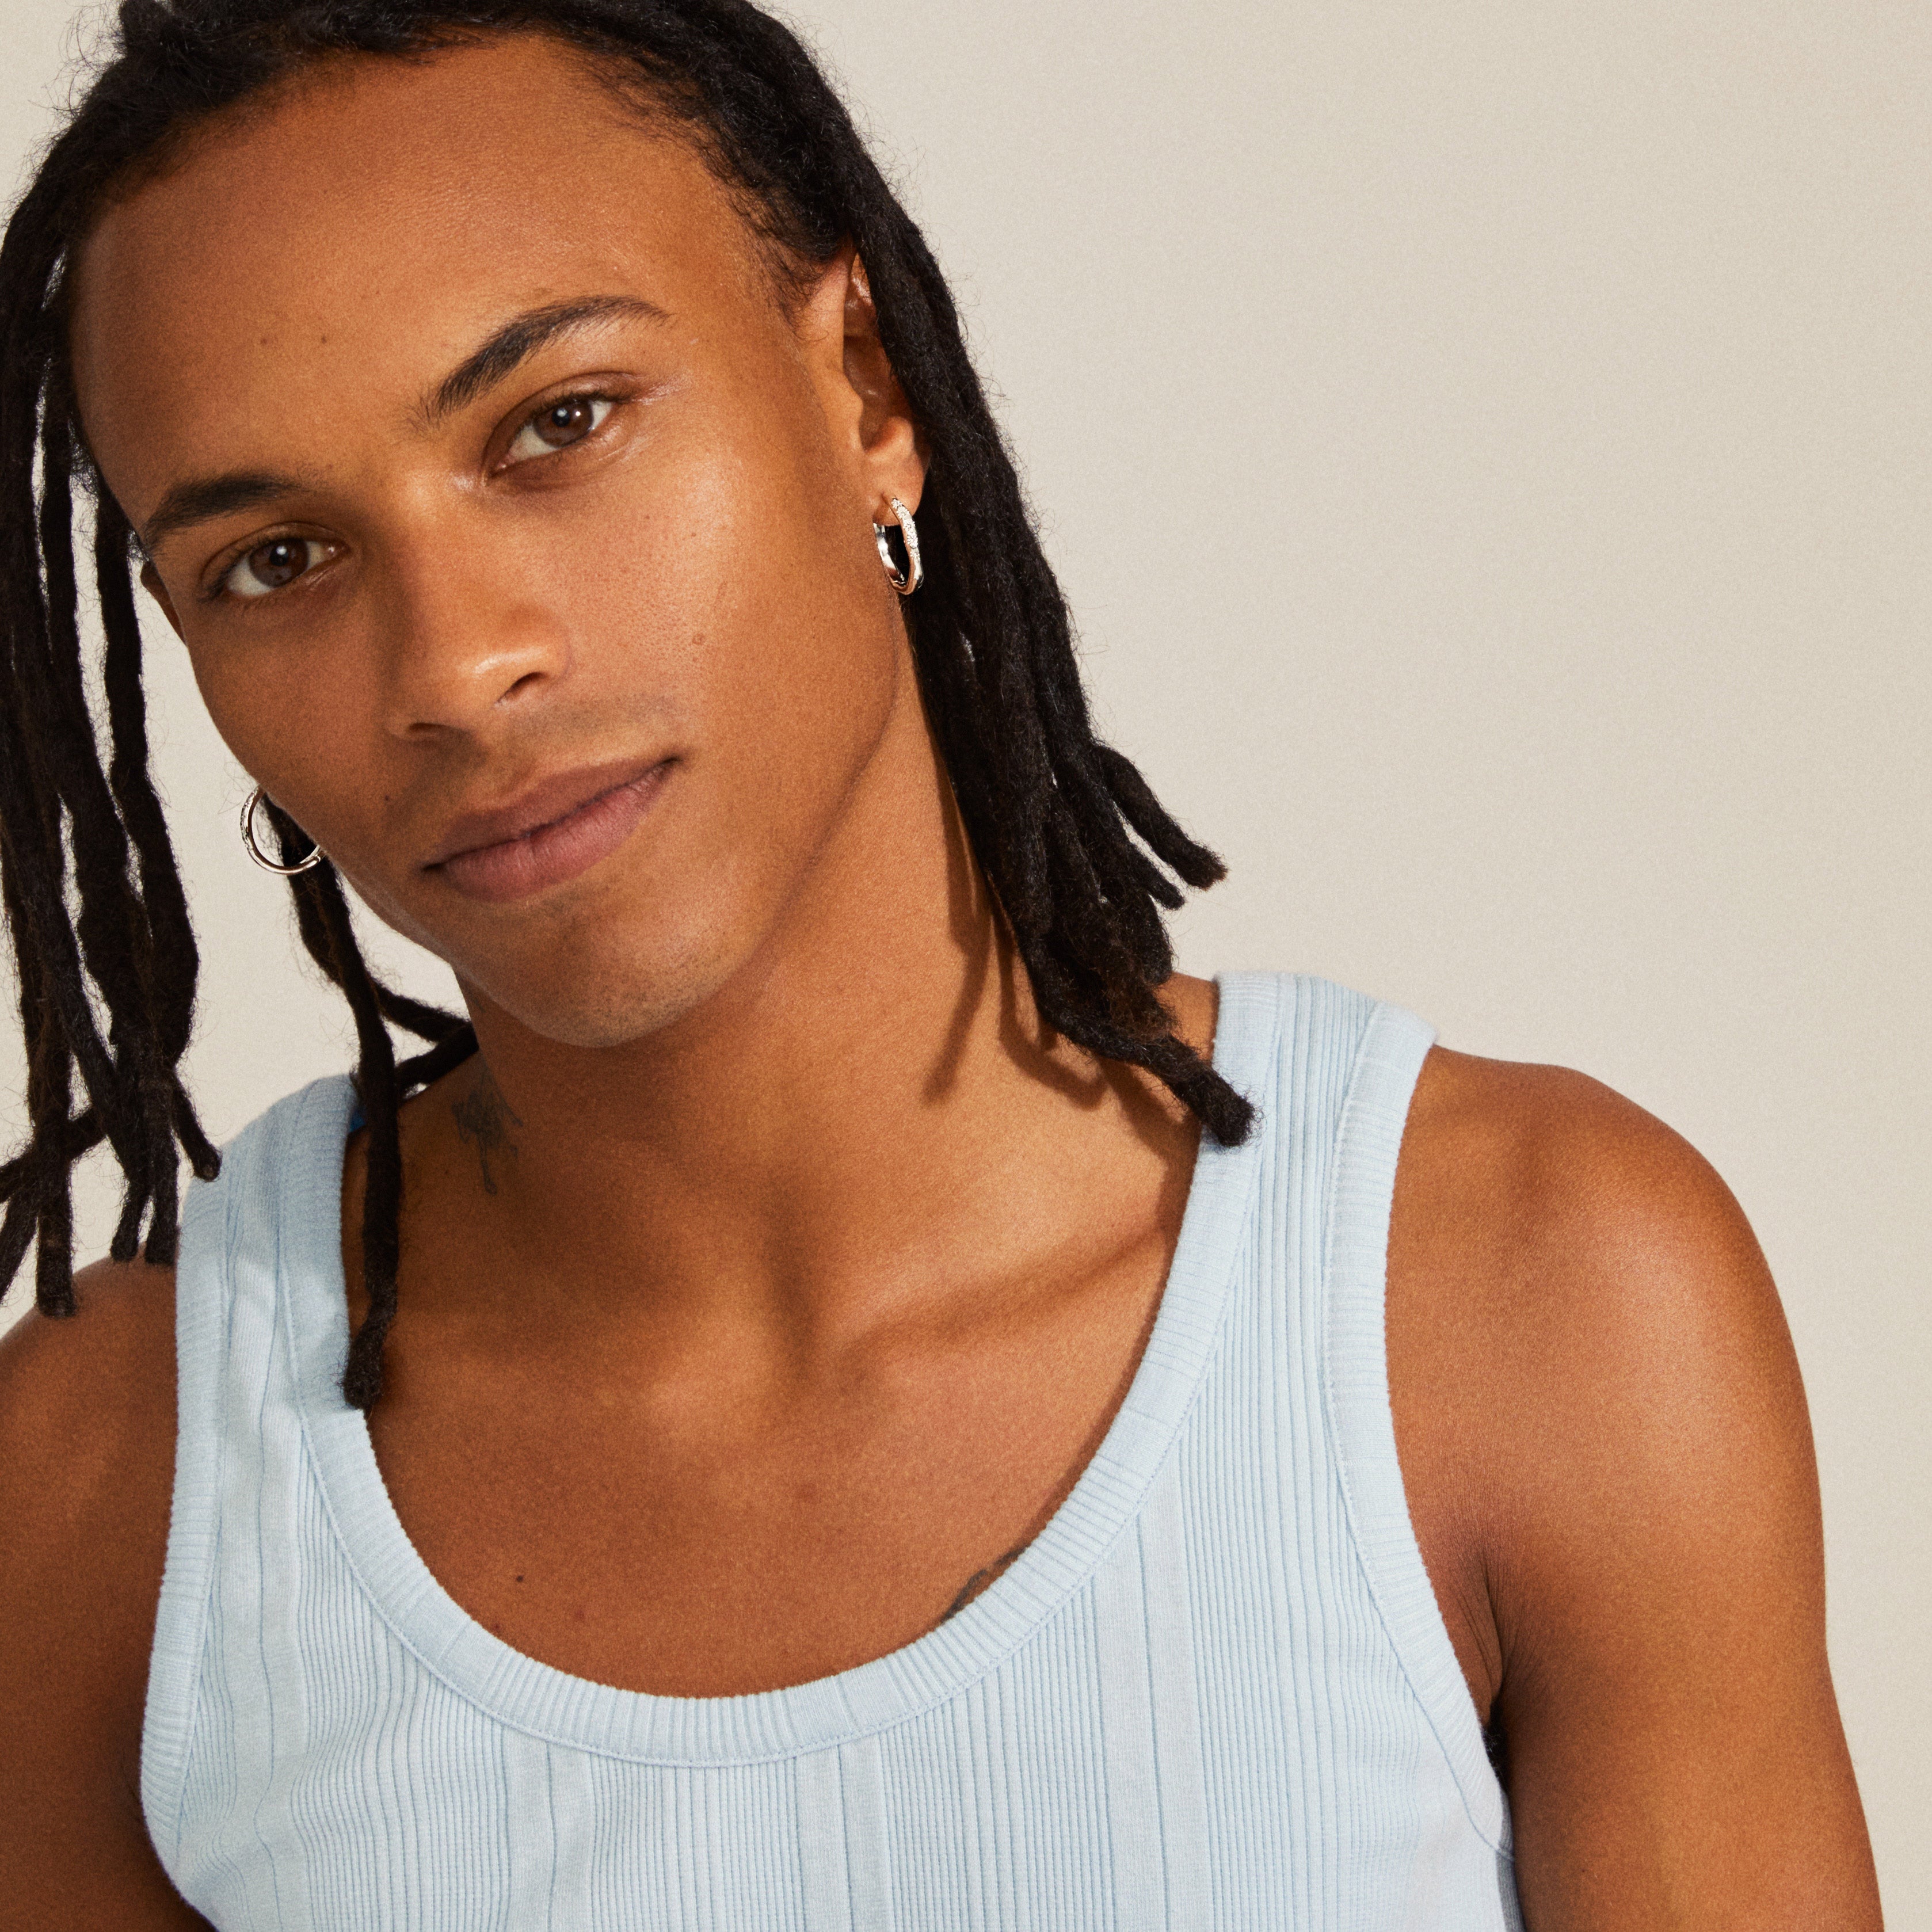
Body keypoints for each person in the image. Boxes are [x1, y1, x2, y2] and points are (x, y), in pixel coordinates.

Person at [0, 1, 1883, 1925]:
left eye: (560, 425)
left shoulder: (1515, 1303)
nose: (457, 668)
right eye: (275, 562)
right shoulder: (110, 1493)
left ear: (865, 389)